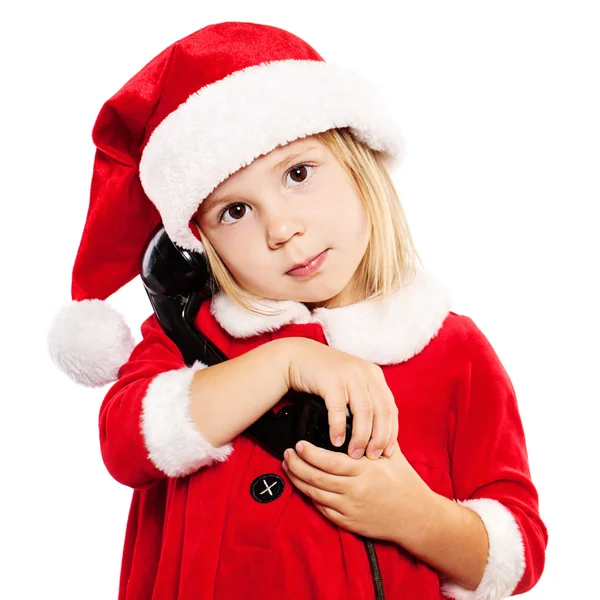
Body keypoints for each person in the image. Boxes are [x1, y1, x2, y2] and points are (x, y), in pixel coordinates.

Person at [47, 21, 548, 600]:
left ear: (360, 164)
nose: (282, 229)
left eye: (298, 174)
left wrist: (414, 516)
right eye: (234, 211)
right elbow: (125, 443)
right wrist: (286, 361)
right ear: (196, 245)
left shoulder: (450, 349)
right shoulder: (191, 339)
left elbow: (519, 553)